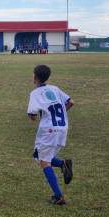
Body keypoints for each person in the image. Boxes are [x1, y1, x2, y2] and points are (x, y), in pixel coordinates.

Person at [27, 64, 75, 205]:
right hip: (62, 128)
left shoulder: (34, 93)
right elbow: (71, 102)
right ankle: (63, 163)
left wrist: (37, 117)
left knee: (44, 161)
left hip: (48, 131)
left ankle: (59, 196)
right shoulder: (54, 88)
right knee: (38, 155)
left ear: (35, 77)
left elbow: (33, 116)